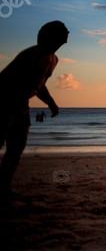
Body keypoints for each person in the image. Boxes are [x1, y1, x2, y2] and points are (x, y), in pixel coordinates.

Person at [0, 21, 69, 195]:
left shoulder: (53, 59)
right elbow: (17, 82)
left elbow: (39, 84)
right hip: (4, 100)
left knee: (16, 147)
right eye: (62, 33)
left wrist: (51, 102)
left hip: (20, 103)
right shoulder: (33, 54)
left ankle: (4, 185)